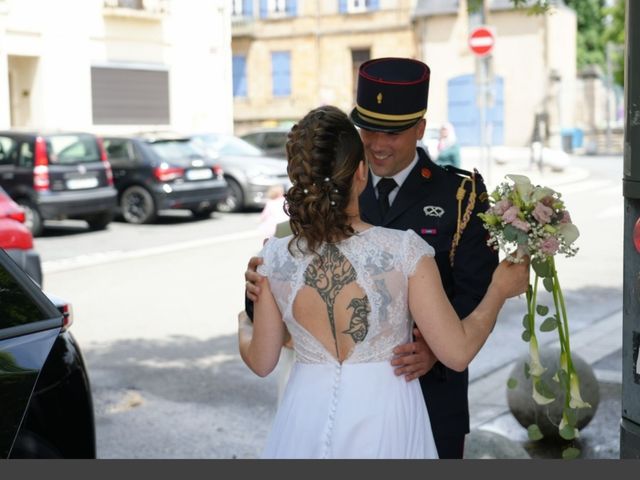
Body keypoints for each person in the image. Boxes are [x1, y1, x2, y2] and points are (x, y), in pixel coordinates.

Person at [238, 105, 528, 459]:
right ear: (360, 172)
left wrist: (243, 324)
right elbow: (457, 352)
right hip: (385, 417)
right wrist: (500, 288)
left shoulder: (275, 257)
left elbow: (262, 361)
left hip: (304, 416)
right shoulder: (405, 252)